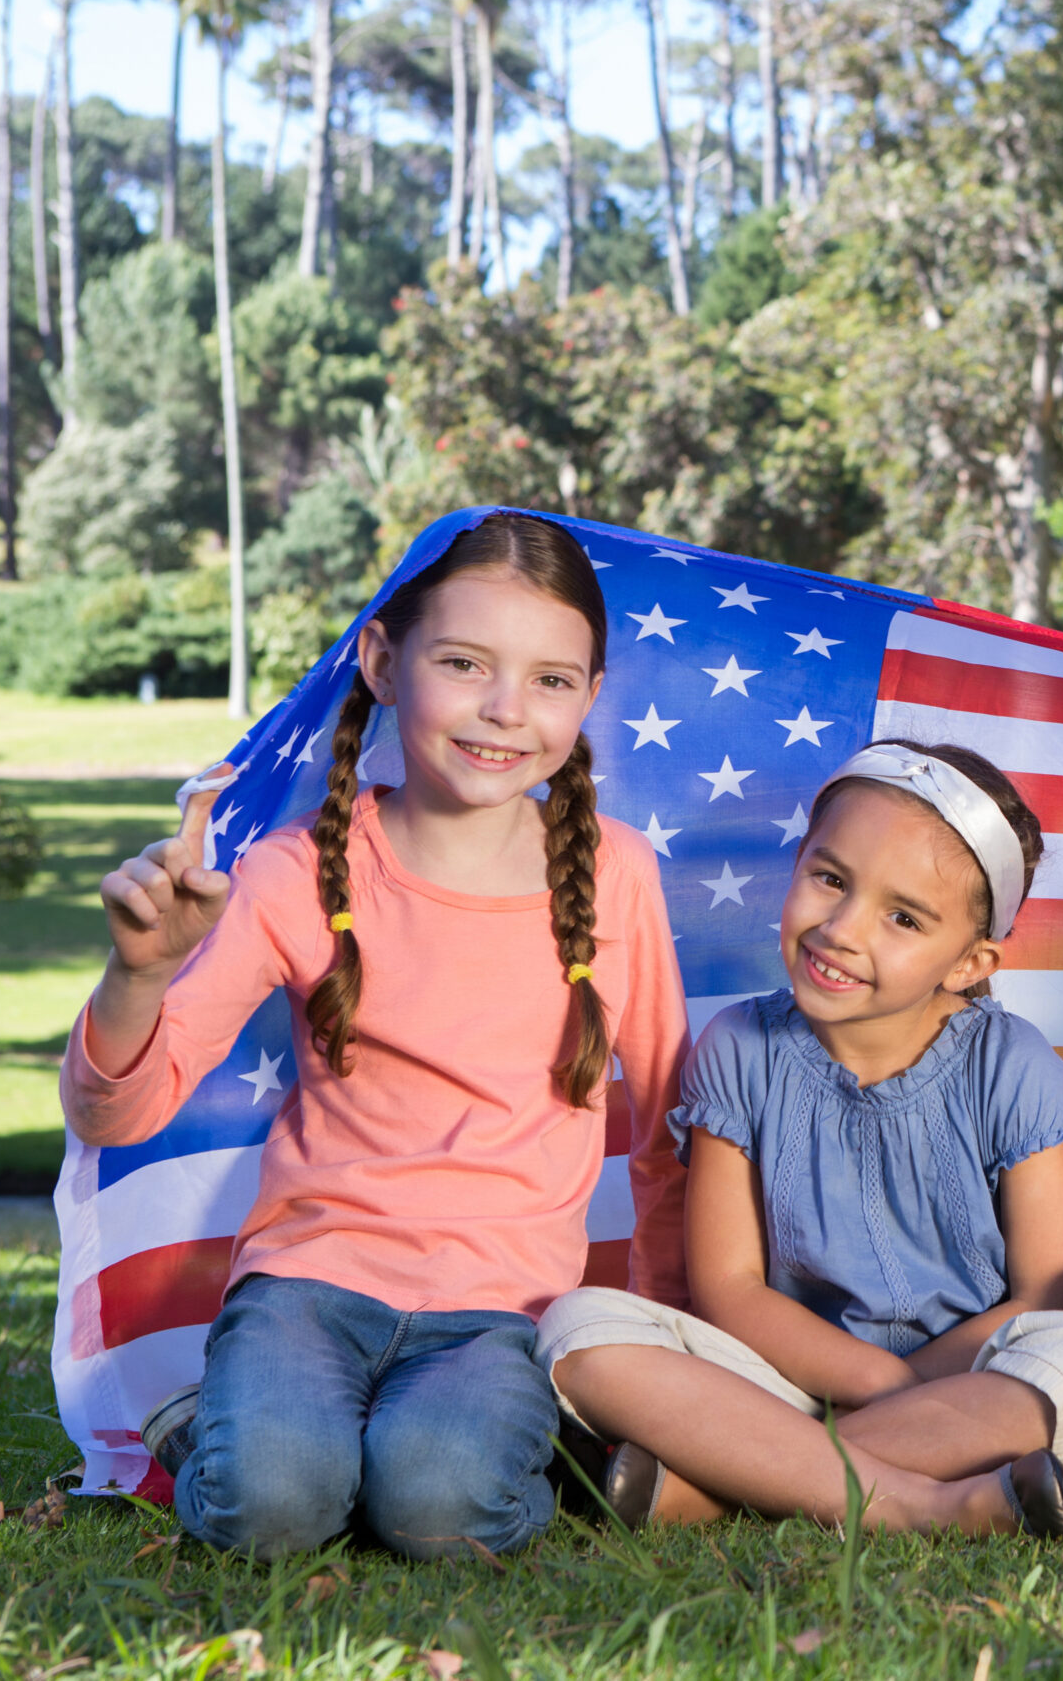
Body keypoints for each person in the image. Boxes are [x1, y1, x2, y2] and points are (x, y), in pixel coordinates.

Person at [64, 512, 685, 1559]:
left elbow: (669, 1125)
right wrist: (139, 974)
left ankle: (507, 1452)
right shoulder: (293, 872)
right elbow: (120, 1106)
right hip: (308, 1287)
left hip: (503, 1307)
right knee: (271, 1510)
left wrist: (649, 1348)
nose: (504, 710)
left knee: (439, 1510)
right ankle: (217, 1434)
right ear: (383, 660)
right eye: (463, 663)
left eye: (550, 680)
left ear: (589, 695)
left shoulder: (616, 874)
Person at [540, 740, 1063, 1538]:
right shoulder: (737, 1048)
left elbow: (1047, 1293)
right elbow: (729, 1289)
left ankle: (727, 1486)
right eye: (830, 879)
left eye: (902, 917)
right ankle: (922, 1500)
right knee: (578, 1329)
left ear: (969, 961)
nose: (841, 929)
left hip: (969, 1384)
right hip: (775, 1382)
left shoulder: (1013, 1064)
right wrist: (876, 1378)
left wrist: (914, 1383)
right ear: (797, 865)